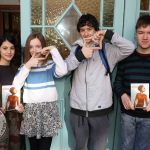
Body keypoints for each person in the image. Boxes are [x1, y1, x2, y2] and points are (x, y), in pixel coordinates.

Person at [65, 13, 135, 150]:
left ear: (96, 30)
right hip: (78, 111)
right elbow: (65, 69)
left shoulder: (107, 50)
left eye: (89, 29)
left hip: (101, 112)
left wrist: (108, 34)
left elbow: (130, 48)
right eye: (82, 30)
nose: (86, 33)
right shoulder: (76, 49)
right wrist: (80, 56)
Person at [13, 32, 67, 150]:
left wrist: (53, 49)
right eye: (31, 47)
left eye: (38, 46)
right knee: (33, 147)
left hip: (48, 109)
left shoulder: (49, 65)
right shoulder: (24, 67)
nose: (34, 50)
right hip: (31, 110)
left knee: (45, 147)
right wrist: (28, 66)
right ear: (27, 49)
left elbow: (63, 71)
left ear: (43, 47)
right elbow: (16, 85)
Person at [114, 14, 150, 150]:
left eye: (149, 33)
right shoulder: (126, 58)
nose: (145, 37)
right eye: (141, 32)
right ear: (136, 34)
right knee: (125, 147)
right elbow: (117, 82)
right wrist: (122, 95)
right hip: (128, 115)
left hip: (148, 118)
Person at [0, 35, 25, 150]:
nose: (9, 51)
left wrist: (22, 106)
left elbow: (23, 95)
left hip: (16, 120)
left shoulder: (18, 70)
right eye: (5, 48)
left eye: (12, 48)